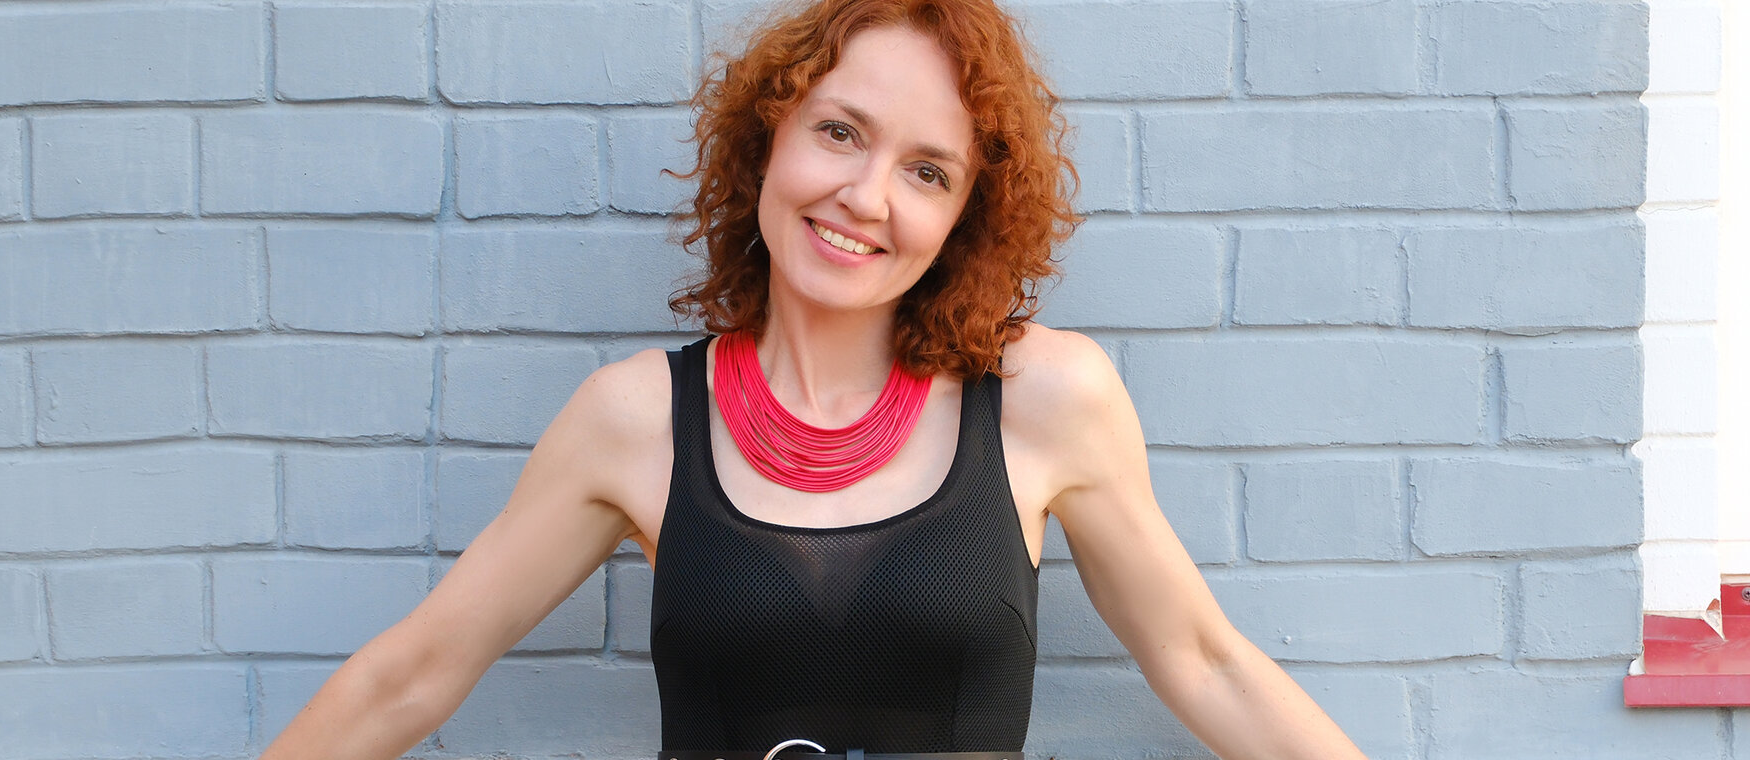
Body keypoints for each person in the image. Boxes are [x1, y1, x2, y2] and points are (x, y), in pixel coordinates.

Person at [261, 1, 1364, 758]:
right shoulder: (633, 421)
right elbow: (411, 676)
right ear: (769, 138)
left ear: (964, 218)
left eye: (925, 171)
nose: (866, 197)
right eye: (839, 132)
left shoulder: (1045, 399)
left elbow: (1207, 664)